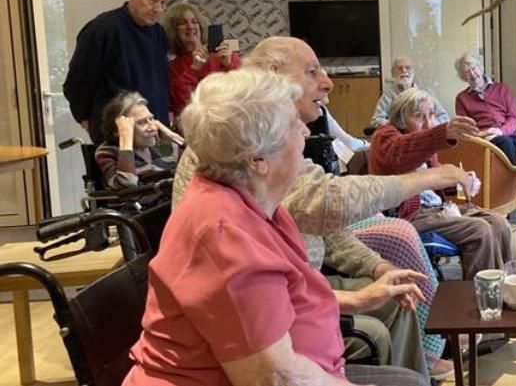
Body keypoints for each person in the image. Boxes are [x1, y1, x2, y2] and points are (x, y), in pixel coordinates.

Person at [172, 36, 462, 379]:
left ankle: (421, 367)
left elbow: (317, 225)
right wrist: (428, 178)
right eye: (312, 71)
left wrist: (375, 269)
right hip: (267, 340)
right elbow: (325, 203)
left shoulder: (260, 182)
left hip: (296, 296)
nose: (327, 82)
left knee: (395, 303)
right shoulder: (228, 209)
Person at [125, 69, 428, 386]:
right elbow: (273, 377)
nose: (306, 134)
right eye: (294, 125)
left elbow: (284, 297)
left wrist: (362, 298)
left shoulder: (258, 204)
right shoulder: (223, 232)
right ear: (257, 158)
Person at [370, 88, 512, 279]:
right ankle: (479, 296)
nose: (428, 123)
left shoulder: (423, 142)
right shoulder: (385, 136)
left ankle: (503, 286)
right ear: (401, 119)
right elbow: (400, 154)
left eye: (432, 115)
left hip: (437, 208)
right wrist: (441, 133)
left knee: (499, 223)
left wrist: (461, 182)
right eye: (419, 117)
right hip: (410, 216)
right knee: (480, 230)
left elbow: (433, 175)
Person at [63, 0, 171, 144]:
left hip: (154, 129)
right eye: (152, 0)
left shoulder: (159, 34)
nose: (158, 8)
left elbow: (161, 83)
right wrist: (84, 116)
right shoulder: (102, 29)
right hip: (118, 133)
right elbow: (78, 82)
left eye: (163, 2)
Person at [163, 1, 240, 119]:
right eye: (183, 23)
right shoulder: (173, 67)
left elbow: (243, 91)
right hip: (195, 126)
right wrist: (194, 69)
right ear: (174, 30)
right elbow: (182, 103)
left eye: (194, 22)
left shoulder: (224, 55)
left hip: (229, 121)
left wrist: (228, 64)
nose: (190, 26)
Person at [94, 91, 182, 190]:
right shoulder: (108, 151)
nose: (153, 127)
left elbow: (197, 165)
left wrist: (172, 136)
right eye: (141, 122)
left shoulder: (159, 145)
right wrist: (126, 139)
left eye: (151, 119)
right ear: (119, 129)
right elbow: (128, 184)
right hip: (144, 204)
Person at [454, 52, 516, 165]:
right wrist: (483, 135)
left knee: (506, 142)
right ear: (463, 77)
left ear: (481, 68)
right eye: (467, 72)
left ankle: (511, 180)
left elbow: (514, 118)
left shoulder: (502, 89)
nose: (472, 74)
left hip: (507, 136)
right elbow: (465, 128)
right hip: (482, 141)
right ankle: (511, 180)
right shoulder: (462, 99)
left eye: (474, 68)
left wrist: (500, 131)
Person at [370, 56, 449, 128]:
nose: (404, 70)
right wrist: (400, 127)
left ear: (413, 72)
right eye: (399, 68)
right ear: (393, 73)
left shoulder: (427, 92)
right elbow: (376, 120)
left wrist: (431, 125)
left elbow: (444, 117)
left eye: (408, 68)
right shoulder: (388, 95)